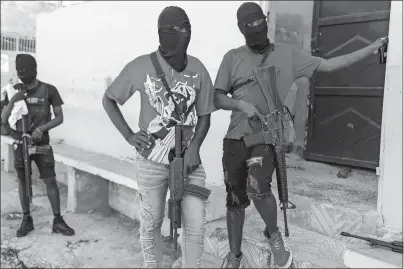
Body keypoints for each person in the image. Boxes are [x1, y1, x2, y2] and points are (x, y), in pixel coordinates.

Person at [214, 2, 388, 268]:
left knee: (259, 185)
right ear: (241, 30)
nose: (257, 30)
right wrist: (241, 104)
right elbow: (217, 97)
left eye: (260, 23)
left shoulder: (288, 55)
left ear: (266, 21)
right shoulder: (232, 57)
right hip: (235, 138)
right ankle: (234, 255)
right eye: (249, 26)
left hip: (266, 136)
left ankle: (273, 234)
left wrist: (371, 47)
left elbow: (328, 64)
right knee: (235, 199)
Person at [102, 6, 215, 268]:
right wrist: (129, 135)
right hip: (151, 160)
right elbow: (109, 99)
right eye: (177, 30)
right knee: (151, 222)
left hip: (189, 162)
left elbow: (205, 114)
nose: (183, 34)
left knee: (196, 224)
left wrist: (195, 146)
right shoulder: (141, 66)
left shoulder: (199, 69)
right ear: (162, 34)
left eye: (187, 29)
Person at [1, 54, 75, 238]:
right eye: (20, 73)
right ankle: (27, 219)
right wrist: (12, 101)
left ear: (35, 71)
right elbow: (3, 119)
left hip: (41, 144)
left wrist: (41, 129)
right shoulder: (11, 90)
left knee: (50, 180)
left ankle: (57, 220)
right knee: (23, 181)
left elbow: (59, 117)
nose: (23, 77)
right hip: (20, 144)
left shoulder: (49, 90)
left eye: (26, 72)